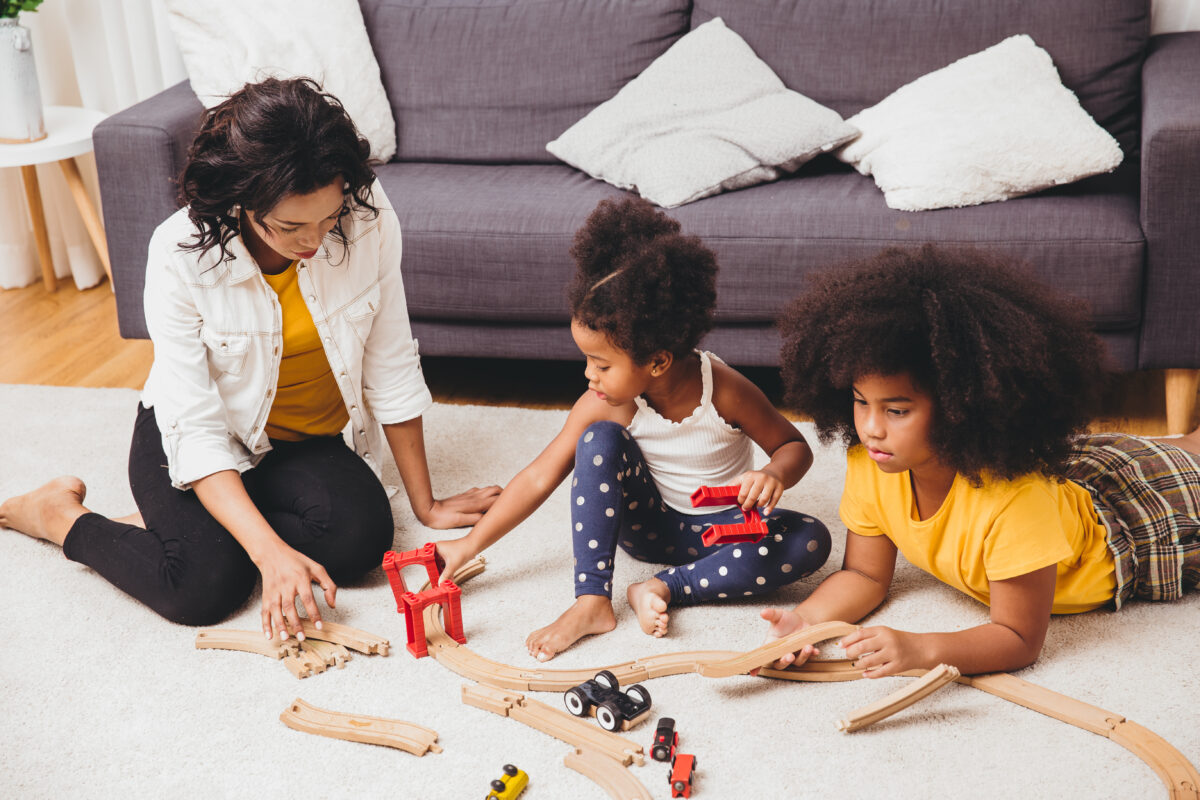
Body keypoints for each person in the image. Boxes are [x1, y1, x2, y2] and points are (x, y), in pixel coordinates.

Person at [0, 78, 498, 641]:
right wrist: (268, 554)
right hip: (196, 434)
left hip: (301, 441)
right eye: (291, 226)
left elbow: (390, 356)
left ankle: (190, 525)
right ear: (242, 200)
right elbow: (195, 427)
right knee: (204, 586)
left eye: (328, 218)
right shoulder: (177, 253)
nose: (315, 239)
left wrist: (425, 503)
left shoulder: (367, 214)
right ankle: (58, 515)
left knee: (360, 540)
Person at [759, 245, 1200, 677]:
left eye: (896, 411)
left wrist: (922, 648)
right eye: (860, 402)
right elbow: (864, 574)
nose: (871, 428)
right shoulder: (871, 461)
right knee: (1131, 453)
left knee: (1172, 463)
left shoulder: (1018, 500)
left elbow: (1018, 637)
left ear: (959, 407)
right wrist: (806, 620)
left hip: (1129, 528)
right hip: (1068, 492)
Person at [435, 197, 831, 662]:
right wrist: (468, 545)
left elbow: (792, 445)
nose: (588, 375)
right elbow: (539, 477)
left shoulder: (723, 389)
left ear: (658, 361)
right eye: (587, 360)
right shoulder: (606, 406)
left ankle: (663, 587)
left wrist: (775, 475)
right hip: (651, 529)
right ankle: (592, 600)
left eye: (601, 364)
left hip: (727, 531)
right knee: (596, 441)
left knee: (811, 539)